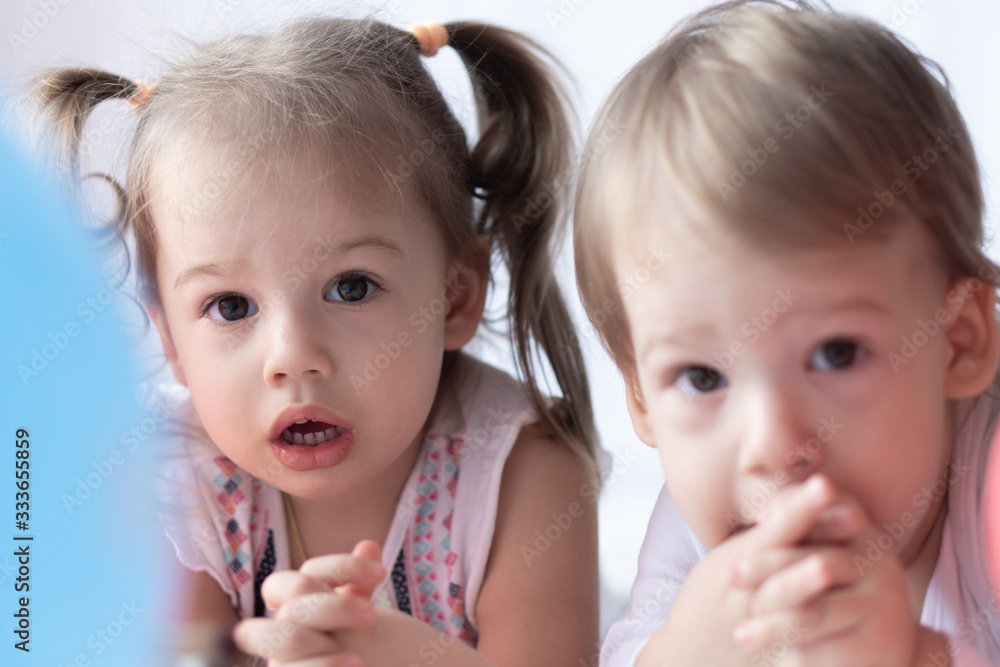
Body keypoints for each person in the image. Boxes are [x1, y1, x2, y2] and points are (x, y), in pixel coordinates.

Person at [34, 17, 599, 666]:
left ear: (456, 296)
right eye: (231, 305)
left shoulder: (524, 473)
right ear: (171, 340)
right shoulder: (171, 484)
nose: (293, 355)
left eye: (352, 287)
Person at [572, 1, 1000, 665]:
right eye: (702, 377)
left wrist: (919, 656)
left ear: (960, 340)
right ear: (641, 400)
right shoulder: (701, 523)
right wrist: (686, 653)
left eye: (835, 353)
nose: (772, 446)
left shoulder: (987, 496)